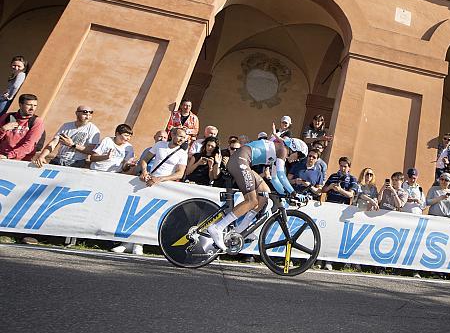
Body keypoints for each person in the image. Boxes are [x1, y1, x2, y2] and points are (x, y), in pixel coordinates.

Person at [206, 135, 308, 252]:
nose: (297, 159)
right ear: (293, 148)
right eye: (299, 156)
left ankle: (241, 229)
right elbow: (281, 175)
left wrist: (284, 194)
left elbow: (274, 179)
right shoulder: (282, 150)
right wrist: (294, 193)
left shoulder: (277, 154)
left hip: (243, 162)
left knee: (264, 194)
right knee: (251, 201)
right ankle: (217, 227)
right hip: (240, 161)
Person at [114, 127, 189, 255]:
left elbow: (179, 174)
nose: (181, 139)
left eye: (184, 137)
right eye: (179, 136)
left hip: (163, 185)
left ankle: (139, 243)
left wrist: (160, 179)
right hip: (148, 182)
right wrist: (144, 171)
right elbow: (145, 159)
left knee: (150, 214)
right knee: (135, 210)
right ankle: (126, 242)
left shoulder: (183, 153)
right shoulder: (160, 145)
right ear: (172, 134)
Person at [33, 106, 100, 168]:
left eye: (90, 114)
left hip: (76, 163)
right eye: (85, 114)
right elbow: (54, 142)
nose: (87, 117)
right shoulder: (66, 126)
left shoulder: (93, 130)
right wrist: (42, 156)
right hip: (58, 159)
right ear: (77, 113)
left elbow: (91, 150)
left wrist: (72, 145)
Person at [0, 93, 44, 161]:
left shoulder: (36, 122)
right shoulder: (6, 117)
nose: (32, 108)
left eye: (35, 105)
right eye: (29, 105)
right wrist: (3, 129)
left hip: (21, 161)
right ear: (20, 105)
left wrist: (8, 156)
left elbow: (29, 145)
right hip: (2, 157)